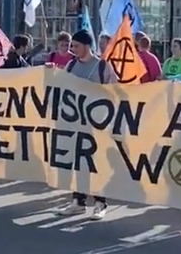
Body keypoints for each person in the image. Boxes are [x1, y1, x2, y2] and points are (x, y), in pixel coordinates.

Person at [49, 30, 117, 220]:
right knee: (78, 163)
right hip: (76, 125)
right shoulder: (70, 66)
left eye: (76, 46)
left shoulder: (103, 67)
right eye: (72, 46)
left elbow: (115, 93)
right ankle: (78, 201)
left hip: (97, 125)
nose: (72, 49)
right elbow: (60, 87)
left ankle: (100, 203)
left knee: (96, 164)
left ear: (87, 46)